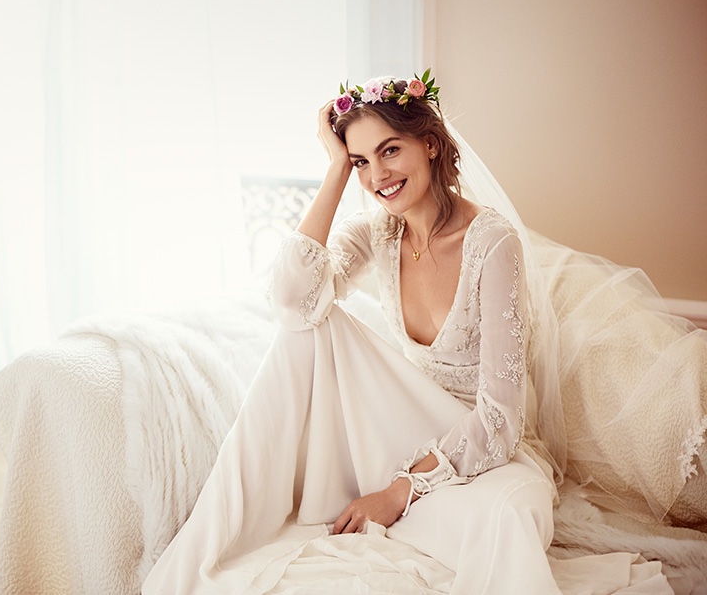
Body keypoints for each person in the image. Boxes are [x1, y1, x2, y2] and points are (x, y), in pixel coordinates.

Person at [143, 71, 701, 594]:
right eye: (362, 161)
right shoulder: (377, 233)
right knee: (309, 325)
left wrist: (399, 490)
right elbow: (292, 301)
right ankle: (228, 529)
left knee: (511, 518)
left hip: (481, 447)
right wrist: (336, 169)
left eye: (389, 150)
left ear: (429, 144)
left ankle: (412, 507)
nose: (378, 175)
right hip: (400, 429)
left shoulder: (491, 243)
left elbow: (500, 421)